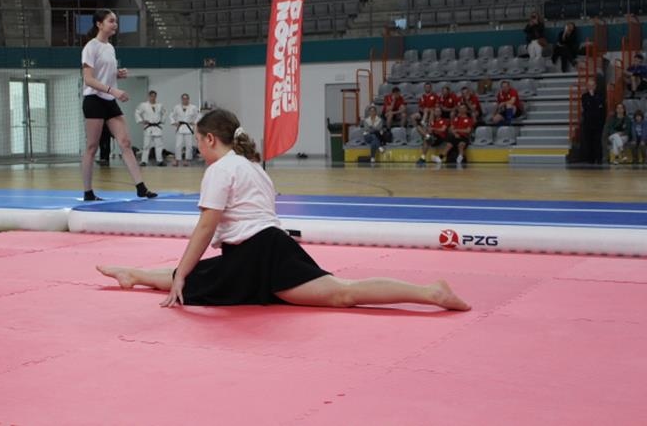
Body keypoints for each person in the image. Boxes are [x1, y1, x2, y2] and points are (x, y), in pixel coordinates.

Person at [96, 108, 470, 311]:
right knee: (341, 292)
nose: (197, 148)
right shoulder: (253, 167)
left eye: (198, 141)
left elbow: (206, 228)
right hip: (269, 247)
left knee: (342, 294)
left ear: (210, 139)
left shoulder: (221, 169)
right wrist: (182, 273)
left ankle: (429, 293)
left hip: (258, 254)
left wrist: (180, 275)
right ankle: (135, 274)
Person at [81, 9, 156, 201]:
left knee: (125, 142)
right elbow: (88, 79)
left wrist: (116, 74)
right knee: (92, 147)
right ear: (99, 24)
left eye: (115, 21)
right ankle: (88, 192)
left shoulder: (110, 48)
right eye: (111, 21)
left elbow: (103, 74)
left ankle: (141, 187)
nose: (115, 24)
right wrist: (113, 90)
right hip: (94, 101)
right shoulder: (91, 47)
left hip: (109, 101)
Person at [135, 90, 167, 167]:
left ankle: (159, 161)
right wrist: (141, 121)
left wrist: (162, 121)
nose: (153, 98)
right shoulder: (143, 105)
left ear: (156, 97)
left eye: (154, 96)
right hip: (148, 127)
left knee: (159, 145)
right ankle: (144, 161)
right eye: (151, 96)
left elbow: (165, 113)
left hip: (157, 127)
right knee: (146, 145)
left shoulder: (160, 105)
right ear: (149, 96)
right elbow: (137, 112)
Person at [580, 78, 605, 165]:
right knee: (589, 141)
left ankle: (599, 158)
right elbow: (586, 107)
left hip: (598, 122)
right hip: (588, 122)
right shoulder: (584, 96)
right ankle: (590, 159)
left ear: (595, 86)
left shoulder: (600, 95)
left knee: (597, 141)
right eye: (589, 85)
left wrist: (593, 98)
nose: (591, 87)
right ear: (587, 86)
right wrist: (592, 98)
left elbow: (600, 106)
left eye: (592, 85)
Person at [170, 93, 199, 166]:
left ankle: (187, 160)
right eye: (183, 98)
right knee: (178, 145)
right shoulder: (177, 107)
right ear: (181, 99)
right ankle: (177, 160)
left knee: (189, 145)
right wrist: (174, 122)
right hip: (180, 127)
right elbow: (171, 115)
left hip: (188, 127)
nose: (185, 100)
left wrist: (194, 122)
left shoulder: (193, 107)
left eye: (186, 98)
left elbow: (198, 115)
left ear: (188, 99)